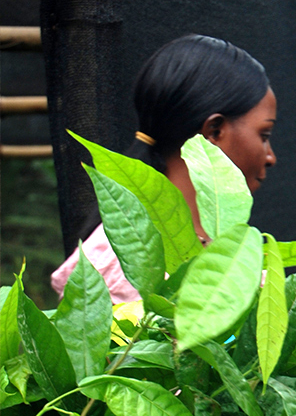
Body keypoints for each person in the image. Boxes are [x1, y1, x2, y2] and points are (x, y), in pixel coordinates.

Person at [52, 34, 277, 303]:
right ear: (214, 131)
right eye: (264, 135)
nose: (270, 156)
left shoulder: (230, 251)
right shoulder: (116, 267)